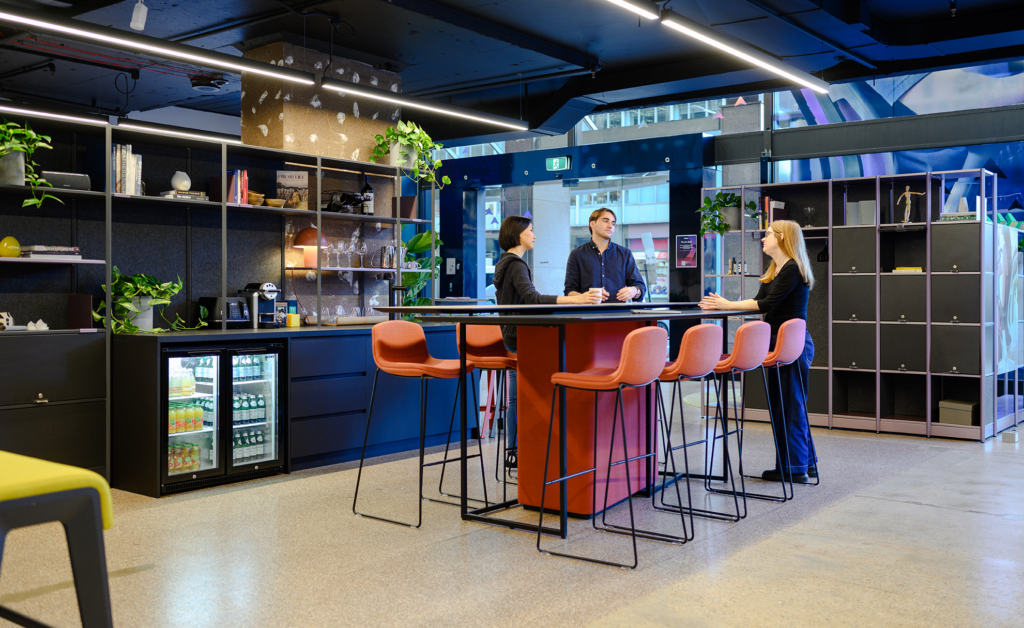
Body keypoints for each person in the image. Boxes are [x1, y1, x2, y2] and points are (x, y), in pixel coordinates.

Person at [698, 220, 817, 483]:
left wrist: (726, 304)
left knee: (789, 405)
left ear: (783, 238)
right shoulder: (776, 269)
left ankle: (795, 469)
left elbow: (765, 303)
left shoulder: (792, 269)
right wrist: (726, 305)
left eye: (768, 235)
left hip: (789, 344)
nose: (763, 239)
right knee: (788, 404)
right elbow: (759, 300)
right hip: (782, 342)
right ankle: (803, 465)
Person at [493, 216, 601, 467]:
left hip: (510, 333)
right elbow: (532, 298)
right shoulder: (516, 264)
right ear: (518, 234)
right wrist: (575, 300)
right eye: (530, 230)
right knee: (527, 388)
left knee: (515, 392)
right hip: (520, 334)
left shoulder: (504, 262)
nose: (534, 235)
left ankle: (514, 449)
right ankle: (524, 447)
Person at [564, 208, 646, 303]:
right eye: (605, 221)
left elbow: (640, 287)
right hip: (587, 314)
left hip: (618, 314)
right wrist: (585, 297)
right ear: (592, 224)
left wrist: (634, 291)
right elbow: (569, 291)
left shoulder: (625, 254)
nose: (610, 226)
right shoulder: (577, 254)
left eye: (613, 223)